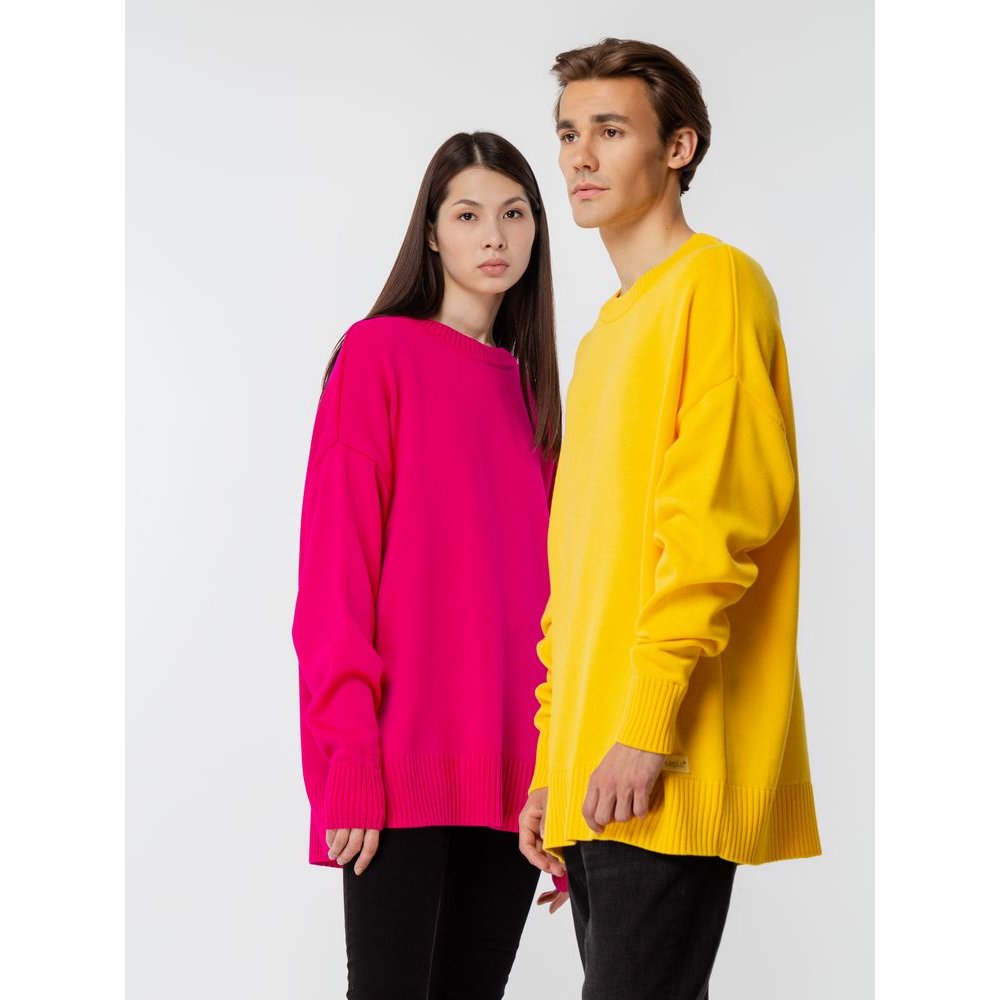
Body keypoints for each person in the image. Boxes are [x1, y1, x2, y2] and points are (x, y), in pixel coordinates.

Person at [518, 38, 822, 1000]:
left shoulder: (716, 284)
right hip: (597, 763)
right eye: (569, 132)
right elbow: (578, 573)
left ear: (678, 147)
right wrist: (552, 762)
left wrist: (646, 727)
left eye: (610, 131)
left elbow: (715, 525)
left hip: (663, 750)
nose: (579, 156)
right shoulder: (606, 335)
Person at [292, 131, 568, 1000]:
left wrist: (556, 778)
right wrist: (347, 762)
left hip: (514, 782)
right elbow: (334, 575)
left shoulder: (534, 398)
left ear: (536, 233)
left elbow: (559, 603)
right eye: (469, 215)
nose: (495, 236)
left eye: (515, 214)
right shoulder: (379, 355)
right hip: (396, 768)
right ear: (434, 234)